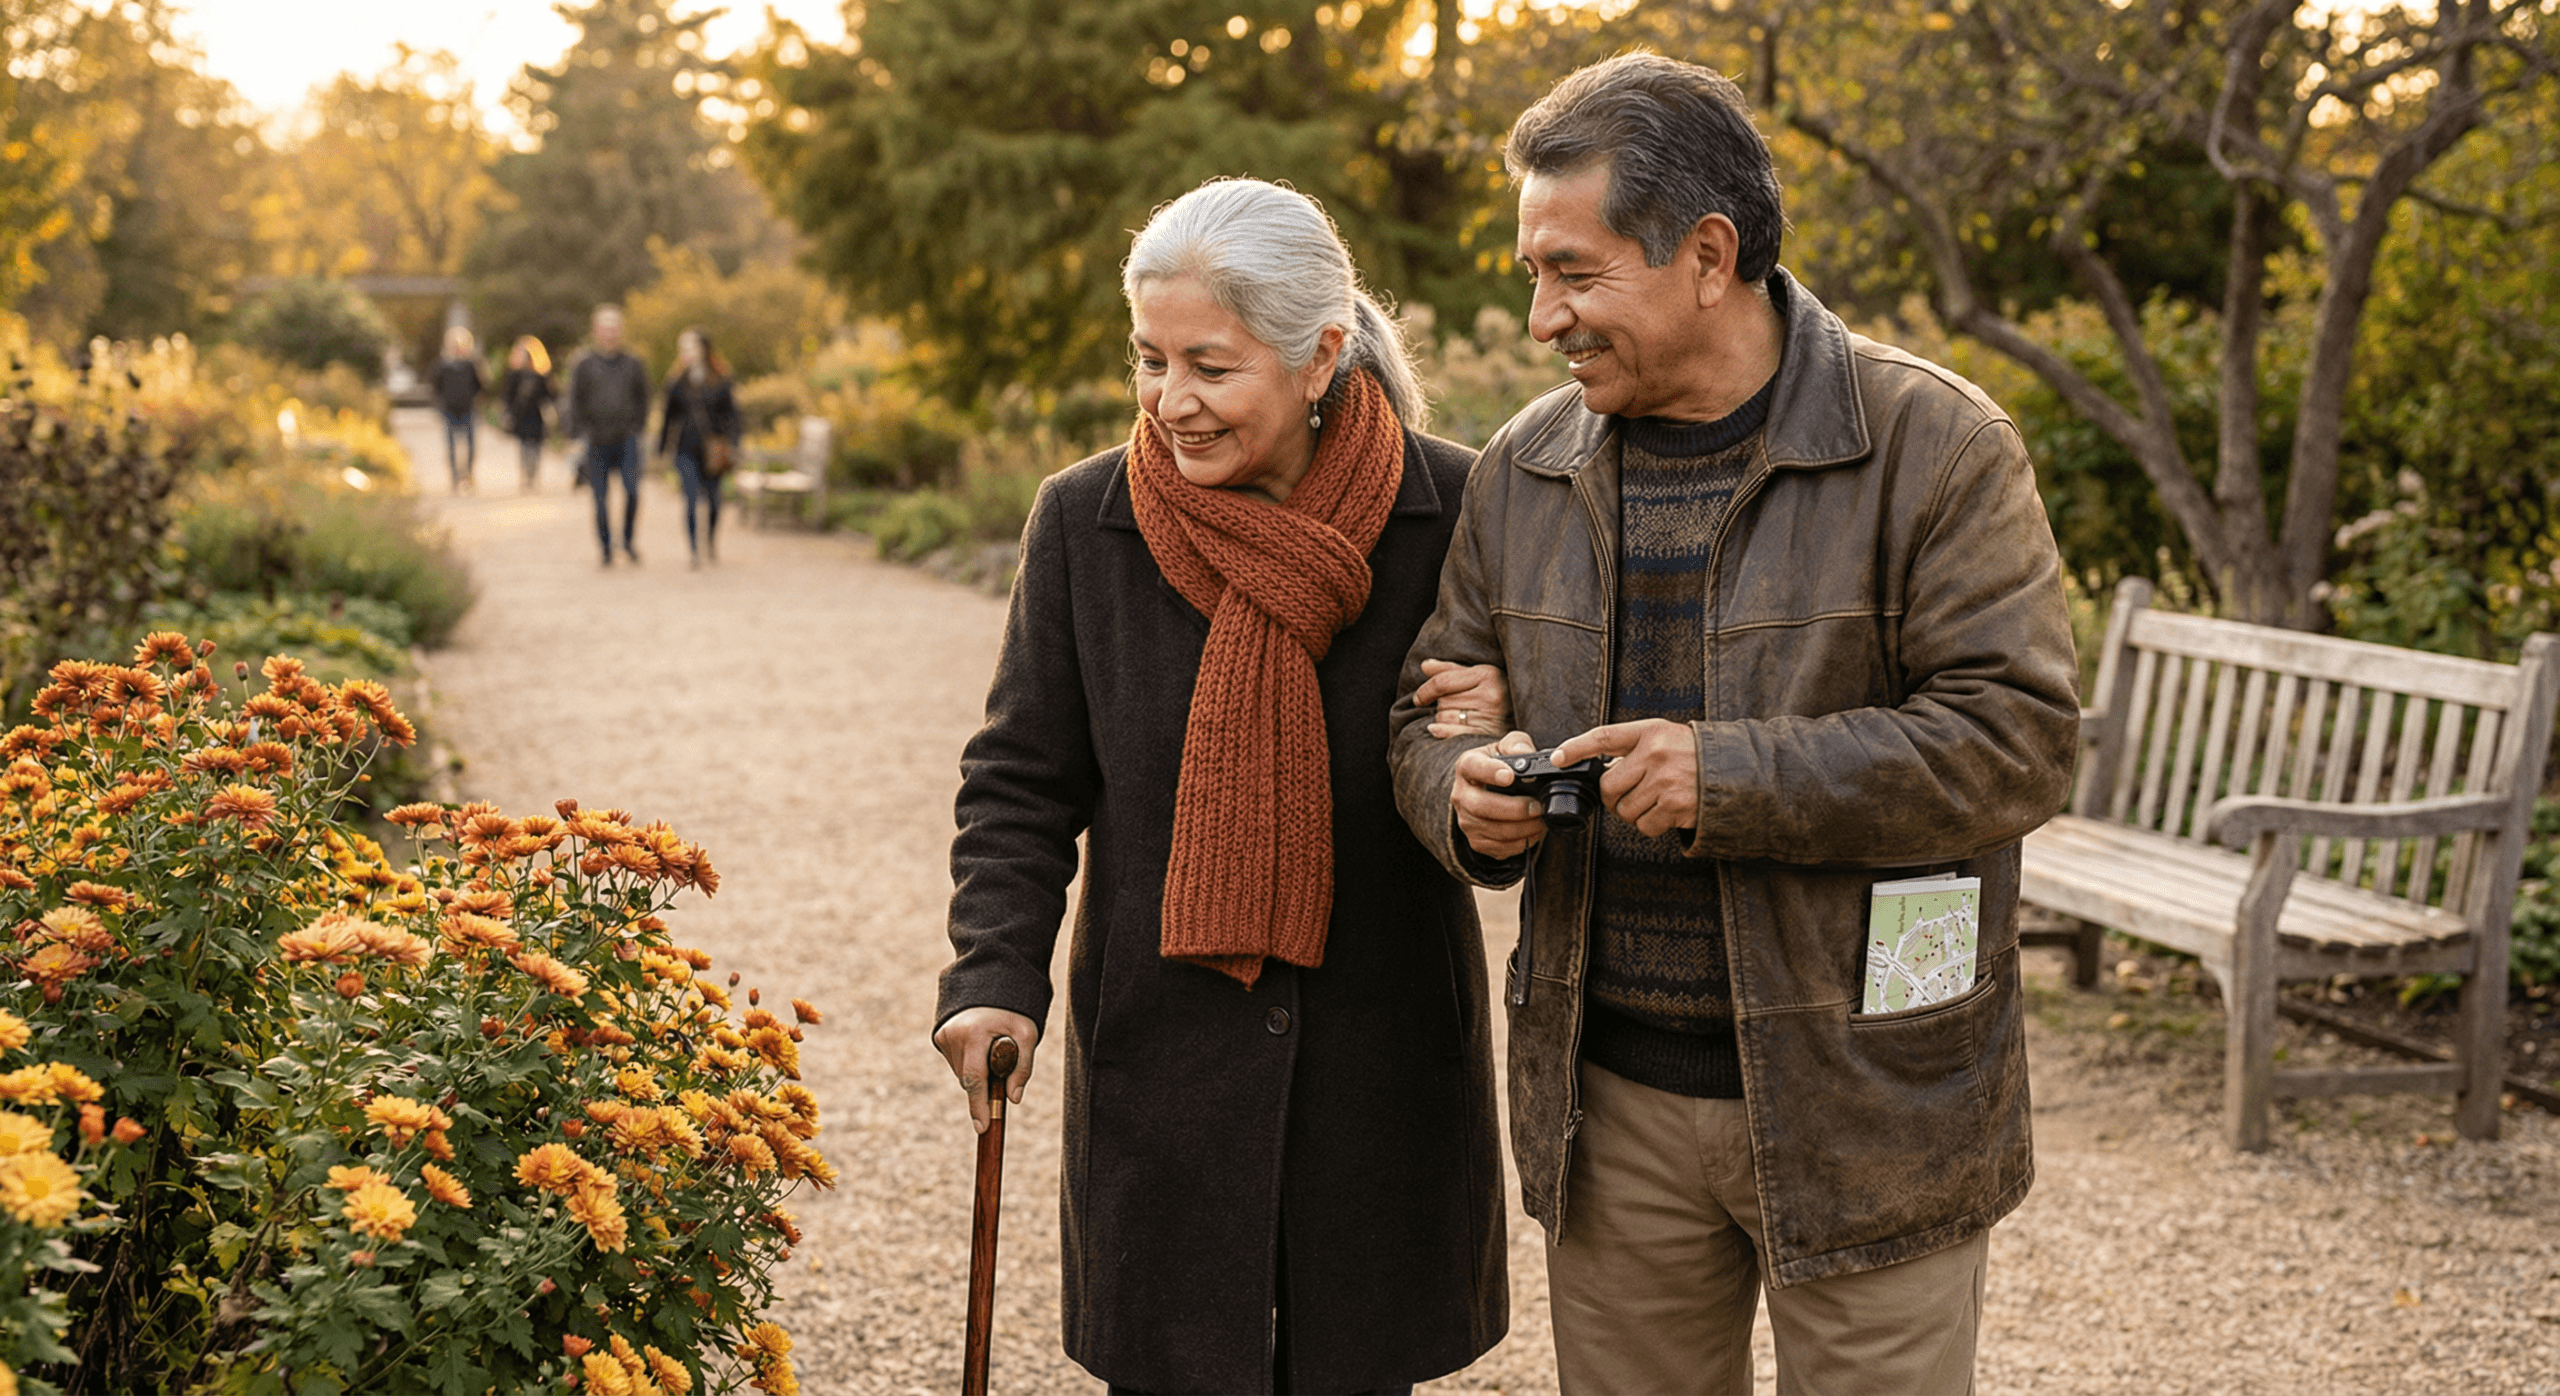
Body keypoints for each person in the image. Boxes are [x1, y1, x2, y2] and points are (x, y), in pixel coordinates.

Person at [1383, 54, 2081, 1396]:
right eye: (1535, 274)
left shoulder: (1937, 445)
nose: (1542, 320)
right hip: (1611, 1110)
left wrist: (1728, 777)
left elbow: (2020, 737)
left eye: (1576, 274)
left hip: (1874, 1102)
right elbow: (1435, 702)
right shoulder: (1526, 468)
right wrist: (1460, 786)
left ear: (1709, 255)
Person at [934, 178, 1511, 1395]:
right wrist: (992, 977)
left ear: (1320, 357)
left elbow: (1497, 757)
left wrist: (1498, 759)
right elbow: (1020, 782)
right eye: (1150, 361)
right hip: (1166, 1063)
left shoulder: (1456, 510)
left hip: (1380, 1060)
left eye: (1210, 364)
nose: (1172, 401)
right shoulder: (1085, 521)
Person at [562, 306, 653, 566]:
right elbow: (574, 401)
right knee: (599, 498)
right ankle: (605, 548)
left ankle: (627, 540)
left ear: (620, 331)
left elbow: (643, 398)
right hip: (596, 439)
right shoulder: (584, 364)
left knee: (632, 492)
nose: (610, 333)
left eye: (615, 327)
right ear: (596, 331)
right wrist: (576, 435)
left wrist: (638, 426)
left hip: (626, 438)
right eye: (605, 327)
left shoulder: (633, 363)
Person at [656, 328, 741, 567]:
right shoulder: (676, 382)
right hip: (686, 448)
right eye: (683, 348)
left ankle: (710, 541)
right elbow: (668, 417)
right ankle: (694, 549)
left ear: (703, 349)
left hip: (713, 449)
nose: (686, 353)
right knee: (691, 498)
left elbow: (733, 415)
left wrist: (733, 442)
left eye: (691, 347)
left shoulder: (721, 379)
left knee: (714, 500)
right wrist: (662, 449)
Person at [430, 326, 486, 492]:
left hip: (468, 410)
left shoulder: (472, 365)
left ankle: (468, 475)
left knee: (470, 447)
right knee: (452, 448)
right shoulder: (441, 366)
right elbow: (436, 388)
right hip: (449, 411)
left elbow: (481, 387)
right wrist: (438, 407)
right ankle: (455, 478)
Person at [501, 336, 555, 492]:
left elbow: (549, 396)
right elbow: (508, 397)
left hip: (536, 416)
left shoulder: (541, 377)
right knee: (524, 447)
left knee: (536, 448)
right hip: (521, 416)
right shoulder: (514, 376)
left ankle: (533, 474)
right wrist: (507, 414)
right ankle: (526, 475)